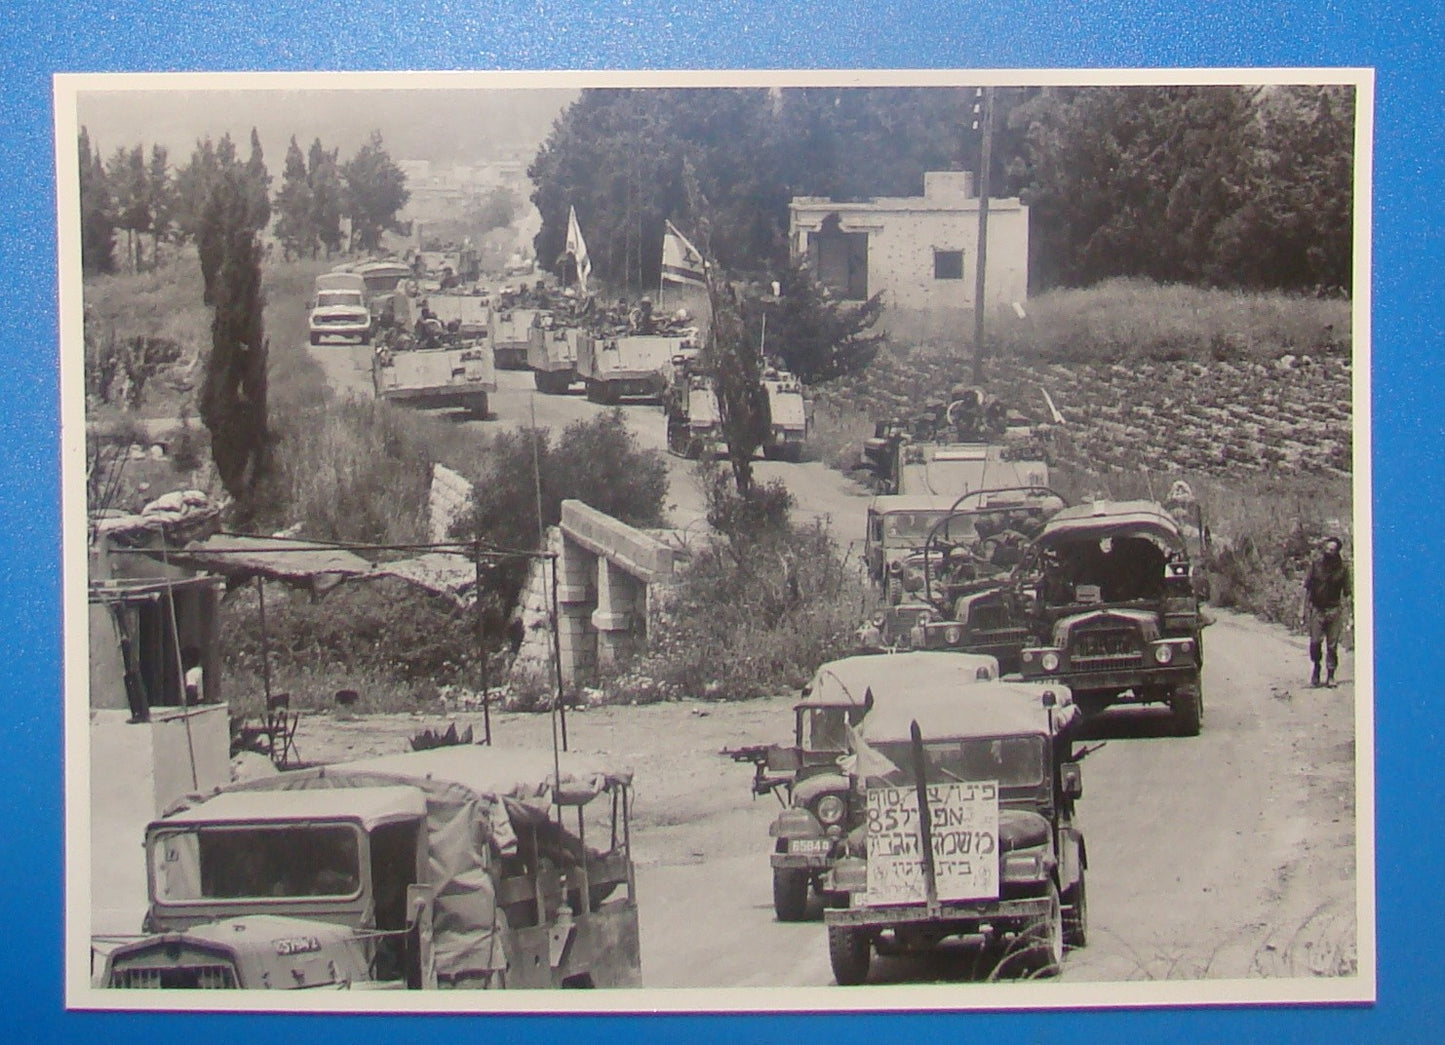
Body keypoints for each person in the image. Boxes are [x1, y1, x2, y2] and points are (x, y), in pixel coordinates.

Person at [1300, 537, 1352, 687]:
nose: (1329, 552)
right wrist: (1302, 610)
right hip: (1317, 610)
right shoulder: (1316, 566)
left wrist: (1349, 615)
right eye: (1327, 549)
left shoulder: (1343, 569)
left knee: (1332, 646)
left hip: (1334, 610)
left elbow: (1347, 593)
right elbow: (1307, 589)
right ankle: (1316, 668)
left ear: (1337, 552)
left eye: (1332, 550)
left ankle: (1331, 675)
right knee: (1315, 642)